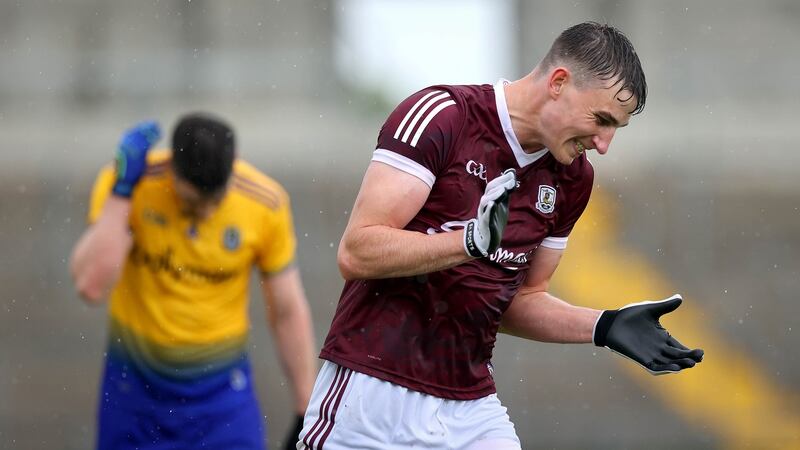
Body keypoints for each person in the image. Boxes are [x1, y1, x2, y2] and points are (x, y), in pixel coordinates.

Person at [297, 22, 704, 450]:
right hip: (371, 393)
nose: (604, 143)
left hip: (470, 406)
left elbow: (520, 300)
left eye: (616, 128)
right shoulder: (443, 115)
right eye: (601, 120)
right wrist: (468, 243)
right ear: (559, 83)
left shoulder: (574, 179)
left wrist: (604, 325)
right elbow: (357, 251)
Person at [69, 113, 317, 450]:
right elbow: (90, 284)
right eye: (192, 202)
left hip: (222, 400)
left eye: (217, 200)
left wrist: (307, 409)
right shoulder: (133, 186)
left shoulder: (265, 203)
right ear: (172, 168)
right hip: (133, 394)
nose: (206, 214)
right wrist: (122, 191)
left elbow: (287, 310)